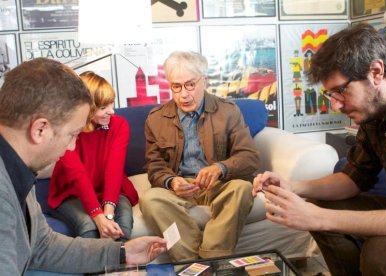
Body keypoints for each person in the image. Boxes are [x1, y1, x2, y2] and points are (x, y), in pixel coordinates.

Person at [253, 24, 386, 275]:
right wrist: (293, 187)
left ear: (376, 71)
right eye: (331, 94)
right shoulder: (374, 111)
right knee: (321, 204)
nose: (336, 104)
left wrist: (317, 217)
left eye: (340, 91)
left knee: (383, 254)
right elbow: (353, 178)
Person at [0, 57, 166, 275]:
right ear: (40, 129)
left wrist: (122, 253)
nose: (72, 146)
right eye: (73, 135)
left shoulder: (19, 171)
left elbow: (42, 246)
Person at [140, 51, 260, 262]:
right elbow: (154, 166)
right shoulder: (156, 118)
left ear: (204, 81)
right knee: (150, 199)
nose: (183, 95)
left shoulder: (228, 111)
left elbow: (249, 156)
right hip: (181, 188)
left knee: (242, 189)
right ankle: (196, 265)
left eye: (190, 85)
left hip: (219, 183)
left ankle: (210, 258)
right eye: (176, 87)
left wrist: (220, 168)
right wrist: (171, 181)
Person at [48, 71, 138, 241]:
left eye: (112, 104)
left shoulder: (119, 125)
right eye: (103, 107)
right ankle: (95, 266)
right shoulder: (66, 130)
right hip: (73, 192)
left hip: (111, 189)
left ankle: (124, 267)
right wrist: (98, 216)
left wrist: (108, 214)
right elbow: (78, 175)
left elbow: (114, 169)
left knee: (122, 223)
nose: (111, 111)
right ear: (85, 108)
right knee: (88, 226)